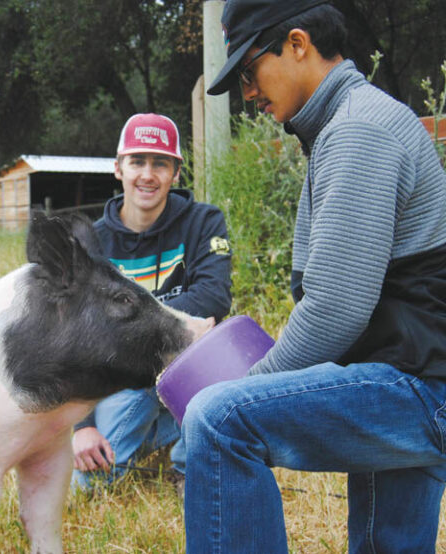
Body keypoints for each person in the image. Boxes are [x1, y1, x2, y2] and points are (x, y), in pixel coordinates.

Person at [182, 0, 446, 551]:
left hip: (419, 386)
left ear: (298, 44)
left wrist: (247, 385)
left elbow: (335, 308)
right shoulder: (354, 120)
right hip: (411, 368)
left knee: (218, 417)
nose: (248, 92)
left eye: (250, 71)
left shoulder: (359, 131)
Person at [71, 113, 232, 490]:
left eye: (160, 163)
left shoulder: (204, 221)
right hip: (127, 373)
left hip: (191, 361)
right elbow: (77, 337)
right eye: (137, 161)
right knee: (95, 484)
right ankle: (170, 427)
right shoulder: (91, 243)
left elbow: (213, 298)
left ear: (176, 173)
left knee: (230, 365)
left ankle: (186, 462)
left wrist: (126, 326)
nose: (148, 174)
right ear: (118, 169)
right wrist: (81, 428)